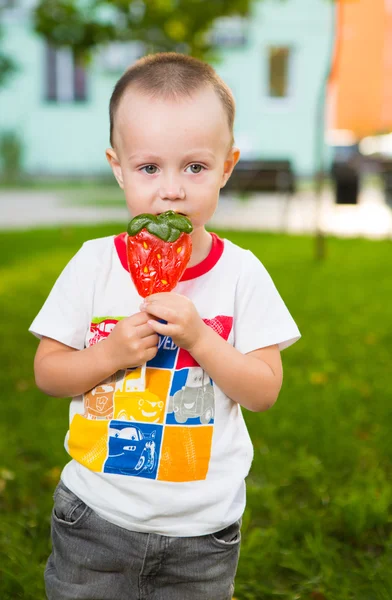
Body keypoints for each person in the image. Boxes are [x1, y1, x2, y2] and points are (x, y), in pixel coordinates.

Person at [30, 52, 301, 600]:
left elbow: (265, 390)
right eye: (149, 168)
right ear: (118, 166)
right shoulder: (94, 264)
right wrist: (107, 356)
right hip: (97, 519)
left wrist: (202, 339)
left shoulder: (242, 274)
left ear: (227, 166)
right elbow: (49, 373)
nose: (171, 191)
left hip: (202, 533)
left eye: (195, 167)